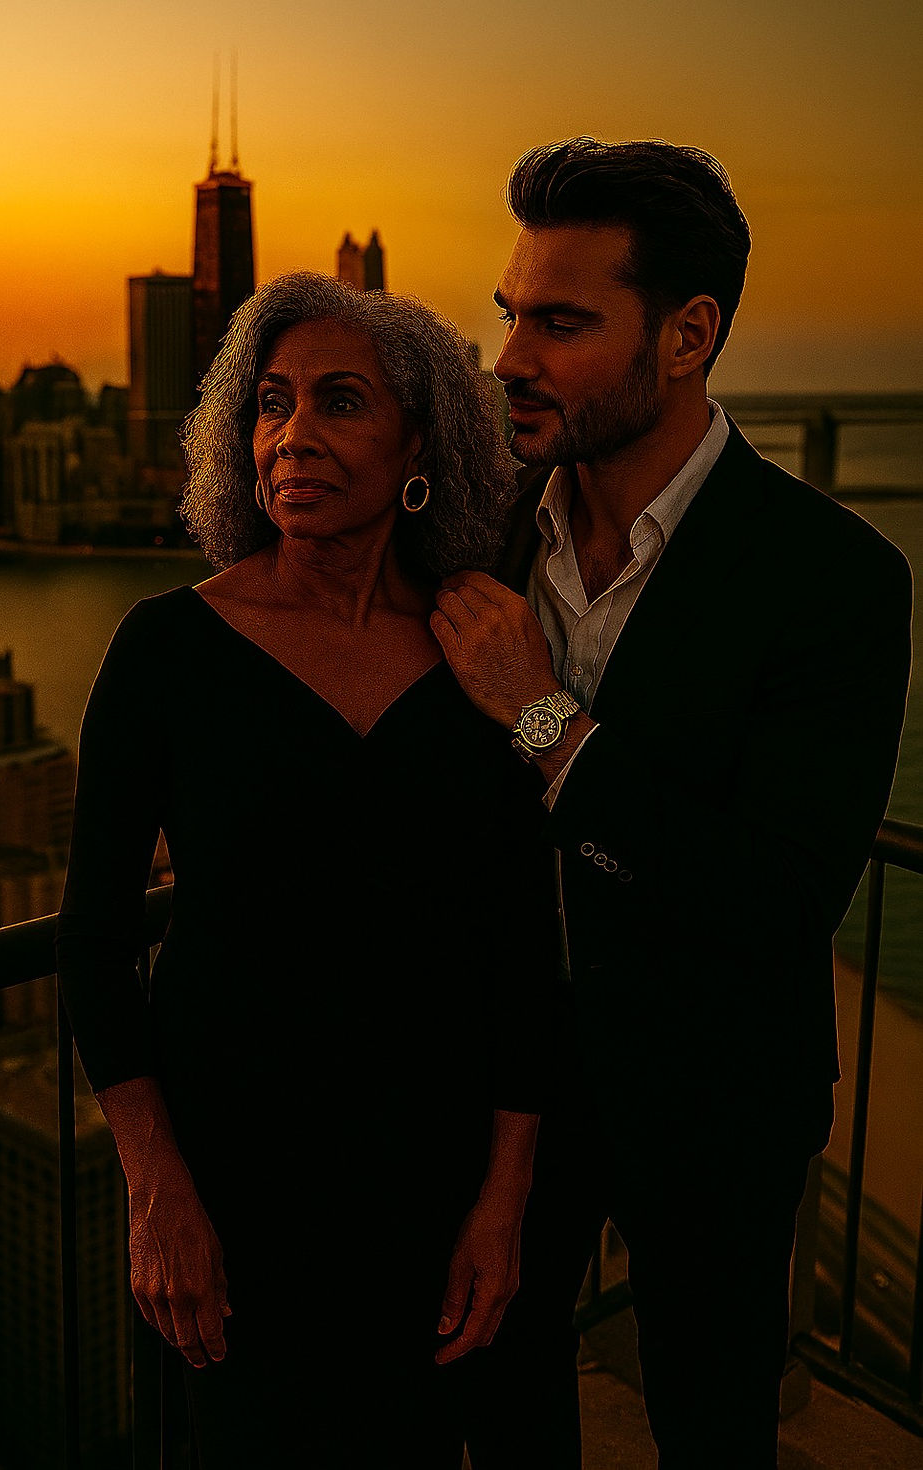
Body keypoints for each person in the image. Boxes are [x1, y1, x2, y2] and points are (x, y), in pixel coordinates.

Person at [431, 139, 913, 1467]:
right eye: (510, 313)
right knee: (501, 1399)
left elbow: (776, 897)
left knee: (712, 1418)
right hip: (502, 1088)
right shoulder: (476, 534)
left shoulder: (837, 580)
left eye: (563, 321)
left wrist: (543, 717)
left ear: (690, 332)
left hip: (716, 1103)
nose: (513, 357)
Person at [55, 272, 562, 1468]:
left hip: (424, 1186)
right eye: (270, 403)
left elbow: (516, 950)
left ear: (419, 442)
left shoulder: (475, 654)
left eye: (339, 403)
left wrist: (502, 1201)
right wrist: (156, 1188)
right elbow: (92, 941)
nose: (293, 435)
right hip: (229, 1191)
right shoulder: (165, 649)